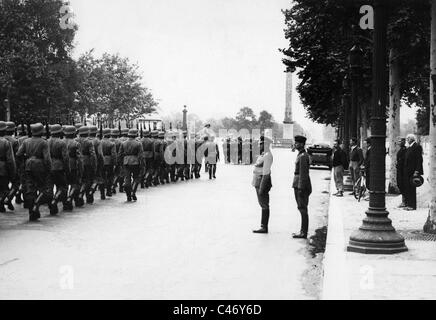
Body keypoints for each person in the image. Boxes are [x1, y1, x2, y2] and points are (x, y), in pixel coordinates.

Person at [16, 123, 52, 221]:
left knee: (30, 189)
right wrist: (49, 168)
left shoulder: (26, 141)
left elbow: (18, 154)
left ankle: (31, 210)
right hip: (40, 166)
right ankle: (36, 205)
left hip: (28, 165)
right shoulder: (44, 142)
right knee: (43, 187)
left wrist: (25, 161)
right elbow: (47, 158)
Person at [252, 136, 273, 234]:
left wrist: (262, 187)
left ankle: (264, 227)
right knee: (262, 204)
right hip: (258, 181)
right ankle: (263, 226)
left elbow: (266, 173)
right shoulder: (263, 154)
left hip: (262, 182)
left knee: (264, 205)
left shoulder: (267, 156)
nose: (259, 145)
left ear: (267, 145)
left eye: (262, 144)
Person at [292, 135, 312, 239]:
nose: (295, 144)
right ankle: (303, 231)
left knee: (302, 208)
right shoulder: (301, 154)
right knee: (302, 208)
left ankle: (303, 232)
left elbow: (303, 174)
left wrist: (300, 188)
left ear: (302, 144)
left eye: (297, 143)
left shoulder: (303, 156)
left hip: (301, 184)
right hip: (298, 183)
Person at [47, 124, 70, 215]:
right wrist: (67, 168)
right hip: (59, 167)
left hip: (49, 166)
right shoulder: (61, 143)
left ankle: (52, 205)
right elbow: (65, 157)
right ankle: (55, 201)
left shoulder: (46, 141)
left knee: (49, 187)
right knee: (62, 186)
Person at [118, 129, 143, 202]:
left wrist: (120, 163)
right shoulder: (138, 144)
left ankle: (128, 195)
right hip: (136, 162)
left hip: (126, 162)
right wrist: (142, 164)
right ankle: (133, 192)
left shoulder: (123, 143)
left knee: (127, 179)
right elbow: (141, 156)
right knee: (136, 178)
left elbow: (120, 154)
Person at [63, 125, 82, 211]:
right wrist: (81, 169)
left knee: (64, 184)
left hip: (62, 165)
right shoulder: (76, 143)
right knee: (75, 184)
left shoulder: (61, 142)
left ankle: (64, 201)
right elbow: (79, 158)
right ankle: (70, 199)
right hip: (73, 165)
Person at [402, 134, 424, 211]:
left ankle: (412, 205)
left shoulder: (417, 146)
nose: (407, 140)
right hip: (407, 171)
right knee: (408, 188)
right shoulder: (410, 147)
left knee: (412, 189)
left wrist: (417, 171)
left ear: (411, 139)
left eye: (408, 138)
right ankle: (408, 204)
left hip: (412, 171)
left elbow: (419, 160)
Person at [0, 122, 17, 213]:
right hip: (3, 168)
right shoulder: (6, 142)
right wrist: (13, 172)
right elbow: (10, 160)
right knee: (4, 187)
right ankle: (2, 202)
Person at [101, 128, 117, 198]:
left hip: (101, 161)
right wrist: (114, 163)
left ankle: (102, 194)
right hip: (109, 162)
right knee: (110, 177)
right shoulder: (112, 143)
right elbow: (113, 154)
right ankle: (108, 191)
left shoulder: (99, 142)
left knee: (102, 177)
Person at [396, 137, 407, 207]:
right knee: (400, 184)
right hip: (399, 170)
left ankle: (404, 201)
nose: (399, 143)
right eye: (399, 141)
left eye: (400, 141)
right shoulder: (401, 150)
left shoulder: (404, 150)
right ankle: (403, 200)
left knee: (402, 185)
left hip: (402, 170)